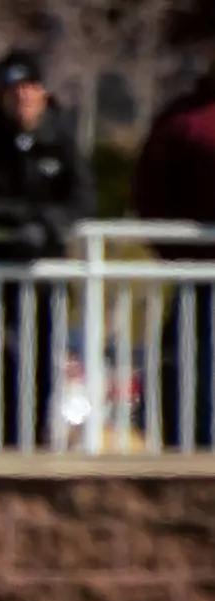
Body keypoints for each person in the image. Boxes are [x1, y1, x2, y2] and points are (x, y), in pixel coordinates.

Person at [0, 49, 93, 450]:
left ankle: (37, 441)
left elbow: (82, 199)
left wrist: (47, 224)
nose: (22, 98)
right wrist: (18, 222)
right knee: (0, 358)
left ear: (42, 92)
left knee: (43, 358)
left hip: (45, 277)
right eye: (13, 91)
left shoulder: (60, 138)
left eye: (29, 89)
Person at [133, 38, 215, 450]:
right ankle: (188, 446)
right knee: (187, 362)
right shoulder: (183, 122)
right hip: (194, 273)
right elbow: (150, 193)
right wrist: (176, 248)